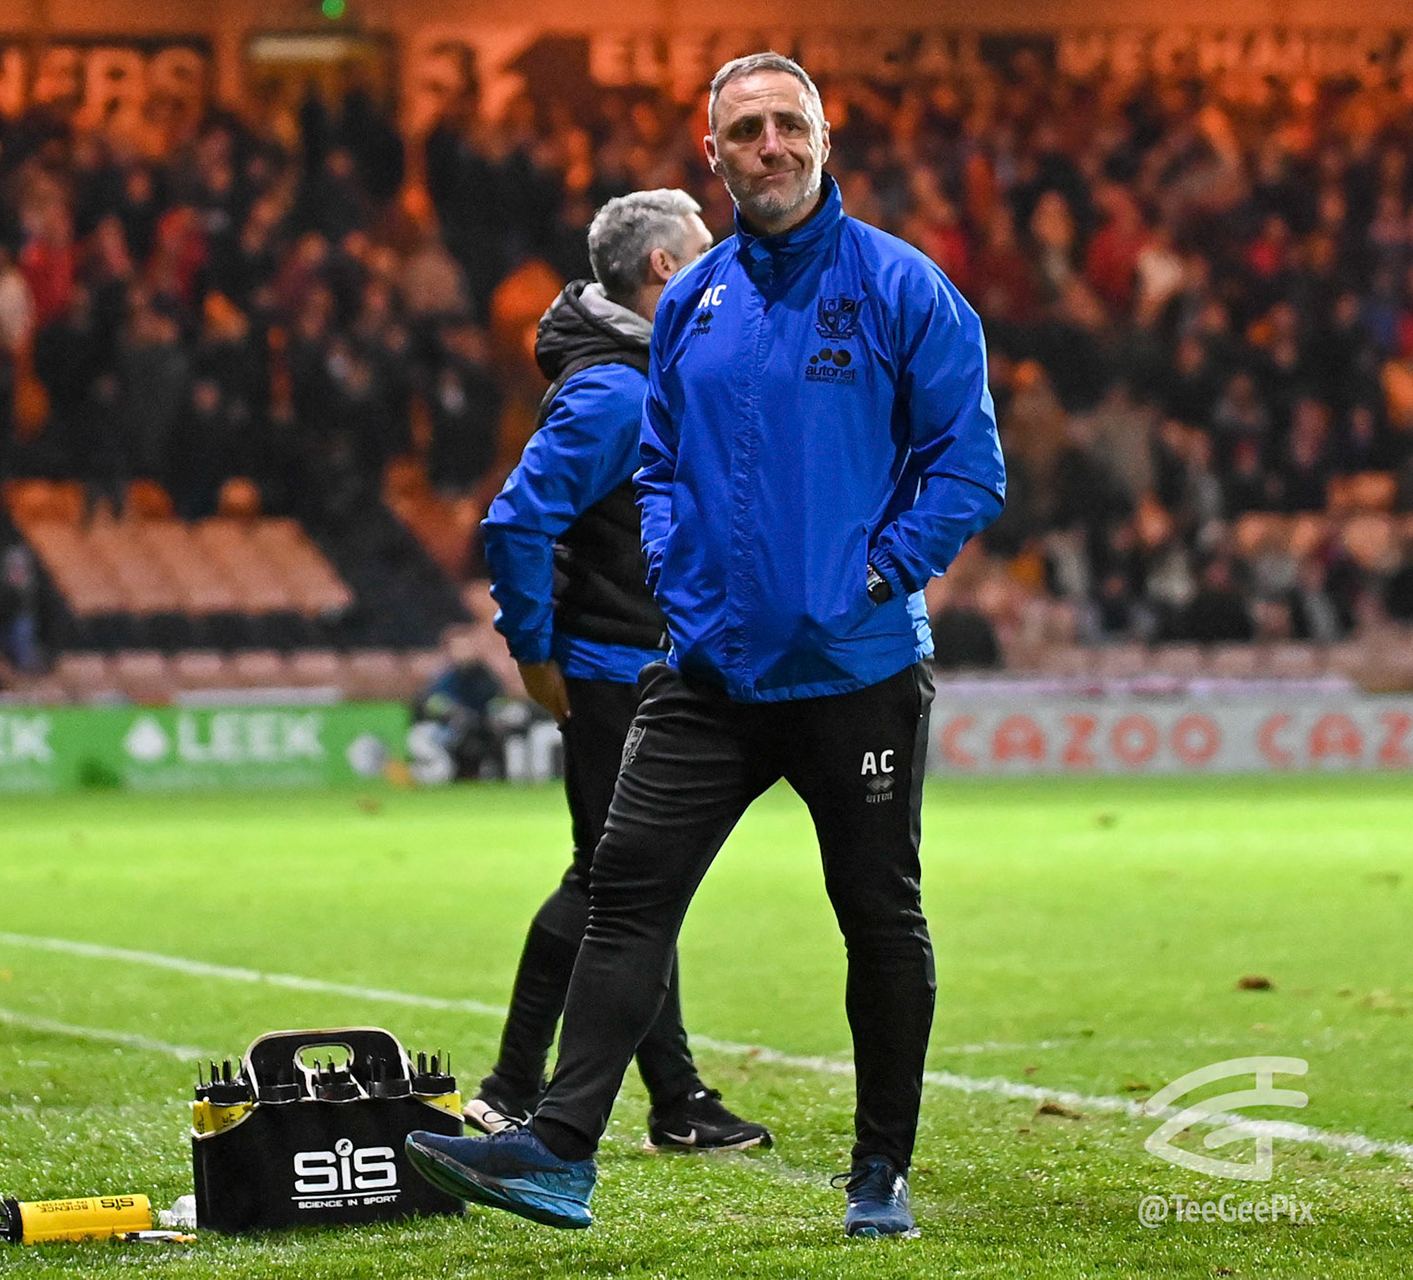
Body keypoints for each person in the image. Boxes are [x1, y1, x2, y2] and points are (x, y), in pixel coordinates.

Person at [407, 52, 1005, 1238]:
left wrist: (873, 573)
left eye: (788, 123)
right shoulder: (692, 303)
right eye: (746, 130)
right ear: (714, 155)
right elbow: (662, 469)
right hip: (709, 670)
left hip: (857, 668)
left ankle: (879, 1170)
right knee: (626, 890)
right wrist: (684, 583)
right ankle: (559, 1150)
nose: (769, 145)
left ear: (824, 139)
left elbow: (969, 467)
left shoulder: (905, 287)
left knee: (877, 914)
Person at [470, 189, 769, 1154]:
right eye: (704, 248)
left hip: (644, 665)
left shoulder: (652, 373)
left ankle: (671, 1098)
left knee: (628, 882)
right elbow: (517, 521)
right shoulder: (615, 393)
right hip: (613, 672)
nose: (722, 262)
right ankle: (514, 1090)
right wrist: (533, 652)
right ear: (664, 270)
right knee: (614, 884)